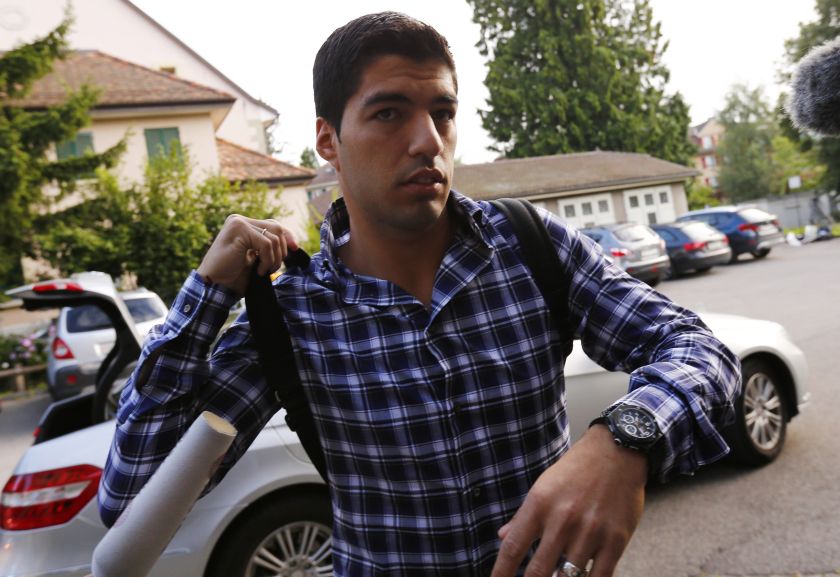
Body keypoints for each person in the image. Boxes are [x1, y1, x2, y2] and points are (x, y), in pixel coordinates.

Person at [98, 12, 740, 577]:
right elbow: (130, 499)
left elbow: (700, 350)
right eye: (388, 113)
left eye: (442, 113)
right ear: (329, 141)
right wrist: (207, 295)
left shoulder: (529, 246)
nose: (427, 141)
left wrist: (623, 441)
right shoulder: (290, 317)